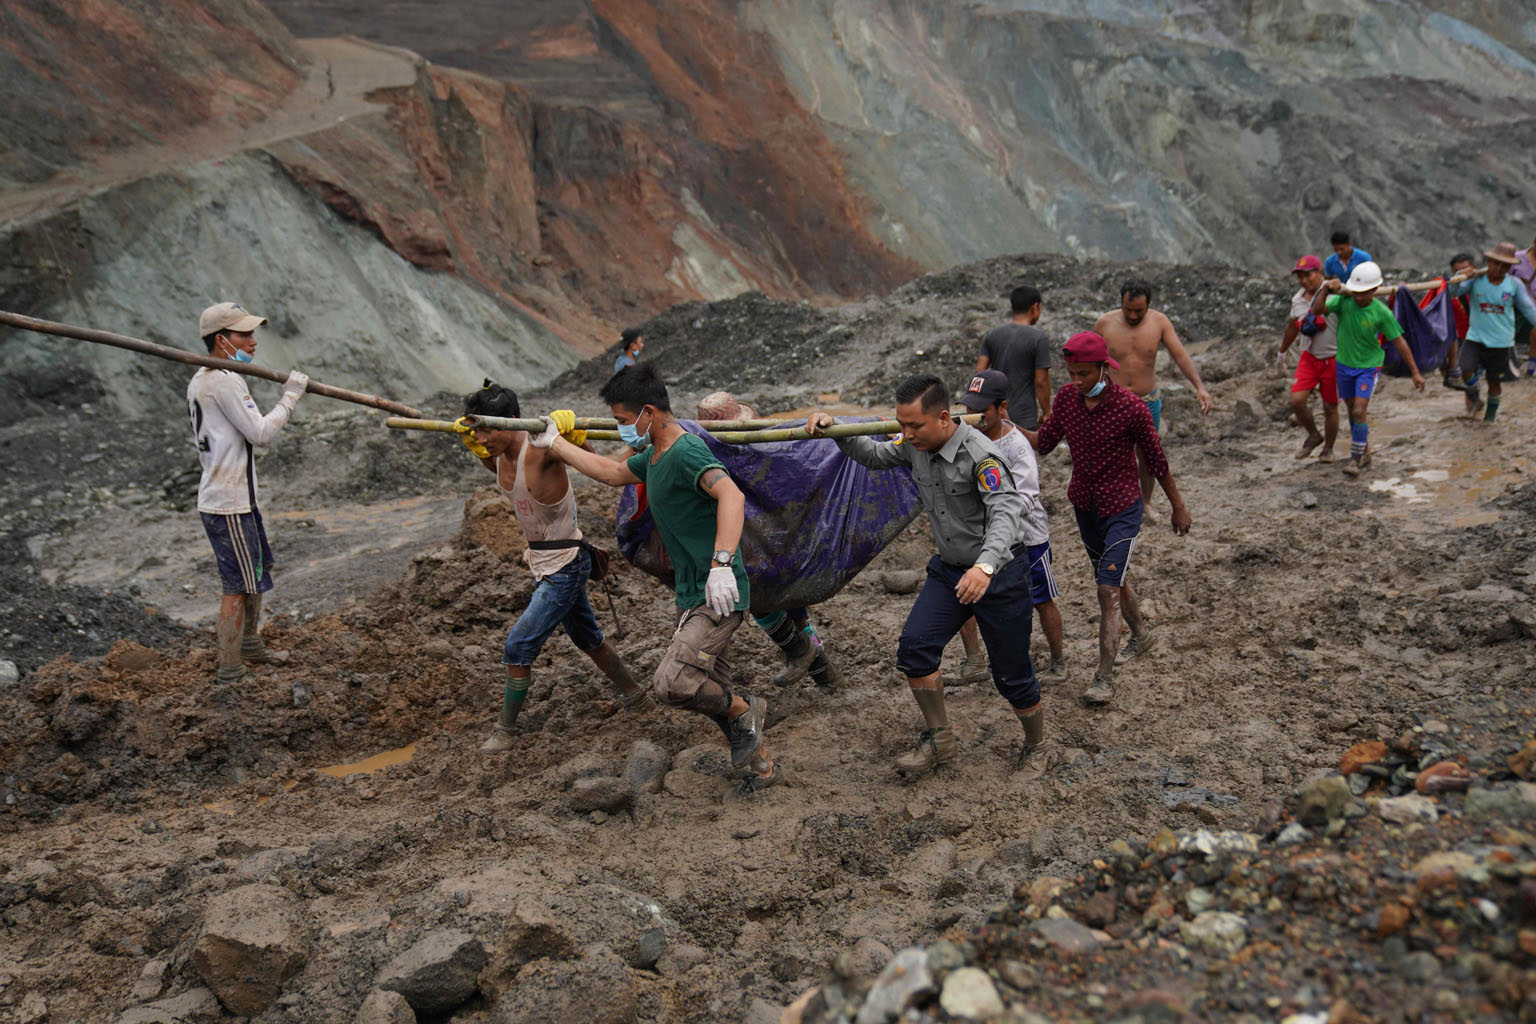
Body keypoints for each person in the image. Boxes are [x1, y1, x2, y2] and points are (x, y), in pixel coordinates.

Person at [532, 364, 779, 793]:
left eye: (624, 422)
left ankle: (744, 709)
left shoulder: (686, 452)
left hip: (717, 593)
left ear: (648, 412)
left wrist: (722, 564)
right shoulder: (655, 456)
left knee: (673, 683)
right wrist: (555, 443)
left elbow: (731, 494)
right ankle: (761, 767)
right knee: (710, 683)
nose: (623, 430)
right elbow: (610, 473)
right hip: (692, 592)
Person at [806, 375, 1050, 780]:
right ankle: (940, 738)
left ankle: (1036, 745)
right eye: (902, 425)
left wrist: (985, 566)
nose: (906, 434)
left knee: (1012, 675)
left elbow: (1007, 512)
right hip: (950, 572)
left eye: (914, 425)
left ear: (942, 418)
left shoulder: (981, 456)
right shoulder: (915, 445)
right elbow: (876, 456)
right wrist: (837, 430)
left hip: (1000, 573)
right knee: (915, 649)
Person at [459, 380, 650, 753]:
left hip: (567, 564)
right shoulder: (494, 455)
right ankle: (636, 695)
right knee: (588, 639)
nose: (481, 437)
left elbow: (604, 466)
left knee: (518, 647)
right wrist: (471, 440)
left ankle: (505, 730)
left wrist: (575, 438)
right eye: (475, 430)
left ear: (513, 421)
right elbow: (489, 457)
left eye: (487, 428)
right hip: (542, 564)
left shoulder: (543, 449)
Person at [1029, 332, 1191, 706]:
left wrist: (1177, 506)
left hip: (1121, 507)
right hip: (1085, 506)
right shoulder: (1068, 400)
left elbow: (1156, 460)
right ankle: (1141, 635)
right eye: (1071, 373)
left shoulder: (1131, 407)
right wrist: (1002, 426)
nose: (1077, 381)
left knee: (1106, 588)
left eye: (1084, 373)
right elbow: (1045, 443)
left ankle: (1103, 678)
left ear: (1105, 367)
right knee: (1113, 578)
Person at [186, 302, 308, 685]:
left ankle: (250, 644)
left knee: (256, 571)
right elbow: (260, 433)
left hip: (236, 497)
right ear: (221, 340)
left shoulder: (208, 377)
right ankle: (230, 667)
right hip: (228, 502)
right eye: (244, 335)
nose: (253, 342)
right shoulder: (223, 380)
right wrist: (291, 396)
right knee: (237, 585)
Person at [692, 393, 840, 690]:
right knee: (776, 596)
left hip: (779, 528)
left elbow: (799, 464)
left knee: (769, 597)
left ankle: (809, 657)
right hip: (756, 530)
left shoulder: (766, 442)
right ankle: (820, 667)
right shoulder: (715, 454)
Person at [953, 370, 1067, 684]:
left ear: (1001, 408)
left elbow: (1028, 496)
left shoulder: (1016, 445)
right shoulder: (965, 438)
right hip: (980, 536)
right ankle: (975, 660)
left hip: (1027, 538)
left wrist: (996, 520)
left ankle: (1058, 662)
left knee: (1041, 599)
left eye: (982, 411)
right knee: (966, 593)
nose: (974, 416)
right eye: (969, 410)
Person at [1094, 280, 1212, 500]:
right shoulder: (1104, 323)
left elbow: (1180, 355)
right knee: (1112, 454)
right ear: (1121, 303)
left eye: (1138, 311)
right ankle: (1117, 499)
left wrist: (1200, 387)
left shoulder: (1159, 322)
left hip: (1147, 399)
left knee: (1148, 456)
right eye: (1128, 310)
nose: (1132, 316)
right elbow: (1090, 361)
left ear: (1148, 304)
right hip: (1113, 401)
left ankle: (1146, 502)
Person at [1308, 260, 1426, 474]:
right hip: (1344, 364)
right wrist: (1325, 289)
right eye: (1357, 292)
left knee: (1359, 410)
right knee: (1353, 412)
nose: (1359, 297)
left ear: (1374, 290)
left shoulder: (1381, 313)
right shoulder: (1344, 302)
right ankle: (1365, 451)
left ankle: (1355, 460)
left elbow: (1399, 341)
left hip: (1369, 367)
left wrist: (1415, 372)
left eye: (1365, 293)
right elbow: (1316, 310)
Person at [1448, 242, 1536, 423]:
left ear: (1510, 267)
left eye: (1505, 266)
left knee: (1494, 383)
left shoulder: (1514, 285)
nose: (1499, 268)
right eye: (1496, 263)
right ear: (1489, 261)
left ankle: (1489, 419)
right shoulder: (1475, 280)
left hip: (1501, 342)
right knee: (1465, 370)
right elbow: (1453, 291)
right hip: (1475, 339)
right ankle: (1473, 391)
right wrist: (1459, 276)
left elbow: (1528, 309)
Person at [1275, 255, 1340, 461]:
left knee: (1330, 407)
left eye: (1308, 275)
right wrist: (1282, 351)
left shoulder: (1337, 293)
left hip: (1334, 358)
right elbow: (1294, 325)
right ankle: (1313, 435)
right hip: (1310, 356)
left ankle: (1328, 448)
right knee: (1297, 400)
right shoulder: (1297, 299)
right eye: (1300, 277)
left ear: (1319, 273)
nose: (1304, 281)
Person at [976, 285, 1053, 429]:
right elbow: (1041, 381)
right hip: (1023, 417)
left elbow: (979, 372)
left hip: (996, 414)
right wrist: (1047, 412)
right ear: (1035, 307)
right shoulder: (1039, 338)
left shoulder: (992, 334)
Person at [1422, 253, 1476, 392]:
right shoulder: (1447, 293)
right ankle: (1473, 405)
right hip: (1458, 339)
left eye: (1466, 269)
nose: (1462, 274)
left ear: (1473, 268)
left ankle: (1475, 403)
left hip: (1477, 336)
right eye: (1458, 271)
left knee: (1474, 373)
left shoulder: (1481, 287)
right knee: (1466, 374)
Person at [1511, 237, 1536, 377]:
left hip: (1534, 306)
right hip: (1514, 305)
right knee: (1508, 335)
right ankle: (1508, 364)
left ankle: (1531, 370)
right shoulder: (1517, 258)